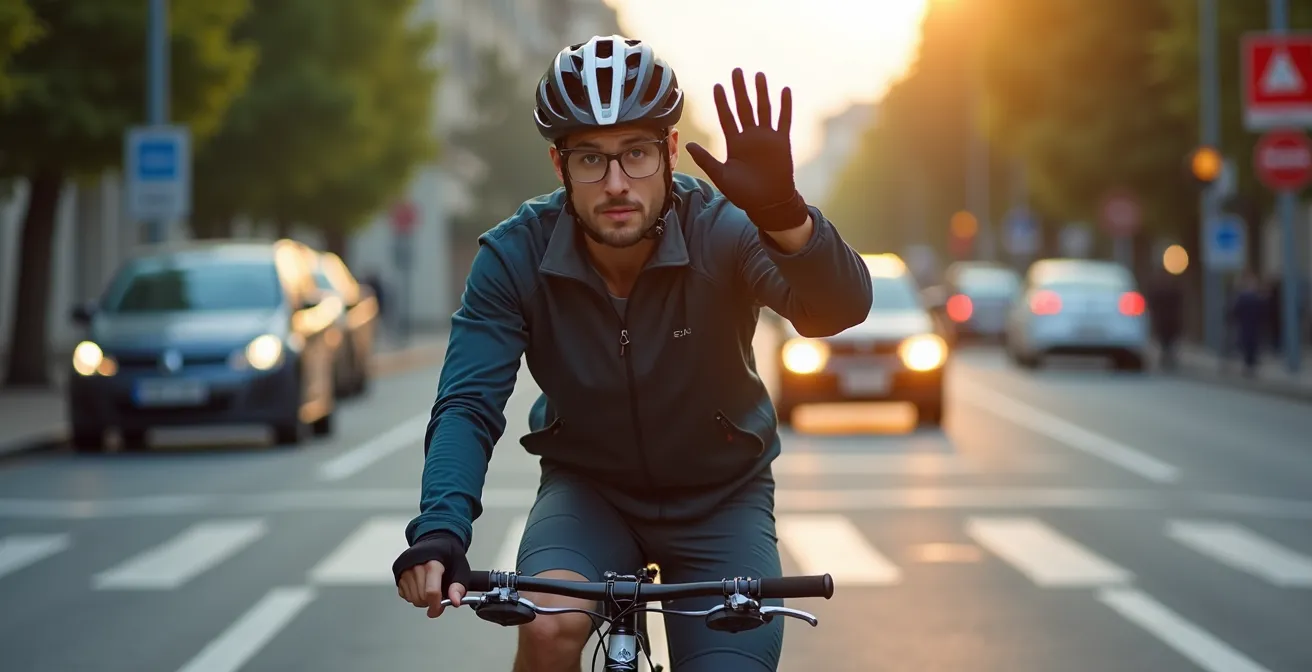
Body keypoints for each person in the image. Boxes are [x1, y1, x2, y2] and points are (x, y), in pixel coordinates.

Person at [391, 35, 873, 671]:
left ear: (671, 152)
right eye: (591, 159)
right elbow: (468, 403)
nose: (616, 183)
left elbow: (836, 310)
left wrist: (784, 216)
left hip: (721, 497)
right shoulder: (515, 256)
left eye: (637, 155)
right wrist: (441, 529)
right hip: (590, 493)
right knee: (546, 628)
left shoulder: (724, 227)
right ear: (559, 166)